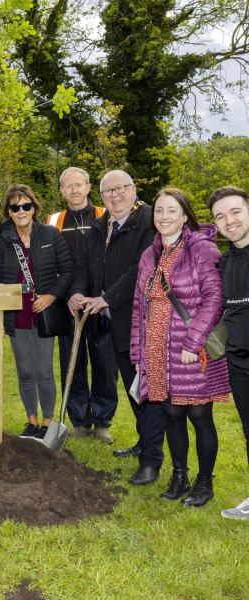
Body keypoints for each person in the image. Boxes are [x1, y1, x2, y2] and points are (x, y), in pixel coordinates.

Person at [130, 188, 229, 506]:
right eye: (159, 210)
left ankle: (204, 482)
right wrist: (137, 352)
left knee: (200, 416)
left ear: (185, 215)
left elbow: (215, 299)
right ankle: (180, 474)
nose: (164, 217)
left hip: (191, 348)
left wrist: (194, 340)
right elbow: (138, 307)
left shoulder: (202, 249)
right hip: (158, 348)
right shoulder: (149, 255)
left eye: (171, 210)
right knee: (171, 413)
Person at [70, 169, 162, 485]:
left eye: (120, 188)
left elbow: (141, 269)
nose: (114, 195)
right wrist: (78, 292)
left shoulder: (149, 222)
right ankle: (145, 442)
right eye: (108, 191)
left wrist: (107, 298)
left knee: (146, 391)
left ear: (133, 189)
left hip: (142, 321)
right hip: (114, 323)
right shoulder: (100, 227)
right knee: (133, 389)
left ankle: (152, 460)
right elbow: (83, 266)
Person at [0, 184, 73, 439]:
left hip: (43, 313)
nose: (21, 211)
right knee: (25, 371)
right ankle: (32, 421)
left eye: (26, 205)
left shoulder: (50, 235)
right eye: (15, 207)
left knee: (44, 370)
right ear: (9, 212)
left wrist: (50, 296)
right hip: (17, 317)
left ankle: (48, 422)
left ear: (34, 208)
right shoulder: (1, 241)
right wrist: (0, 318)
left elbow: (68, 270)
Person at [47, 167, 117, 443]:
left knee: (104, 363)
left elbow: (113, 258)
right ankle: (79, 420)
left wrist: (101, 295)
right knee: (72, 363)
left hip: (100, 301)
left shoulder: (105, 215)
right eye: (68, 186)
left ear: (89, 187)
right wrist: (67, 295)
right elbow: (49, 262)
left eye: (79, 185)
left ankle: (101, 420)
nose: (74, 190)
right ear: (61, 190)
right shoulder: (53, 220)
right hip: (68, 302)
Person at [209, 186, 249, 519]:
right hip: (239, 362)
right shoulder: (225, 262)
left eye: (235, 211)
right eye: (220, 216)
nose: (229, 220)